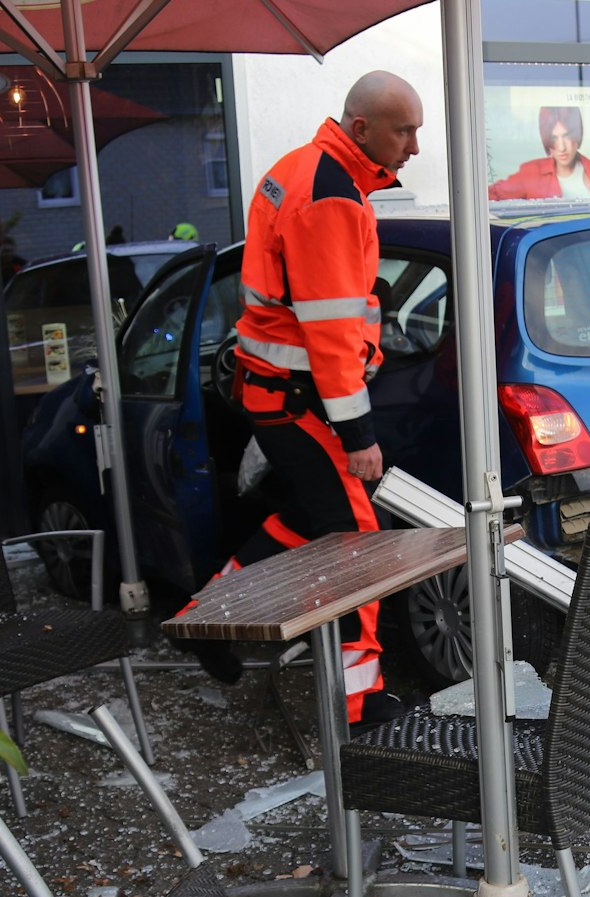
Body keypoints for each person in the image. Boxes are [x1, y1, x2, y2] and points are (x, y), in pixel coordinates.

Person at [177, 70, 422, 727]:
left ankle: (209, 617)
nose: (416, 146)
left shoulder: (300, 168)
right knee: (359, 541)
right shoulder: (331, 197)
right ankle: (359, 699)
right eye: (405, 130)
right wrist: (360, 433)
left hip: (275, 389)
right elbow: (332, 334)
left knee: (309, 516)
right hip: (301, 398)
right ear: (362, 127)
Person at [487, 105, 590, 201]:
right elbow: (489, 196)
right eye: (554, 138)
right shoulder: (531, 172)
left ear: (577, 135)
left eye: (567, 136)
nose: (562, 147)